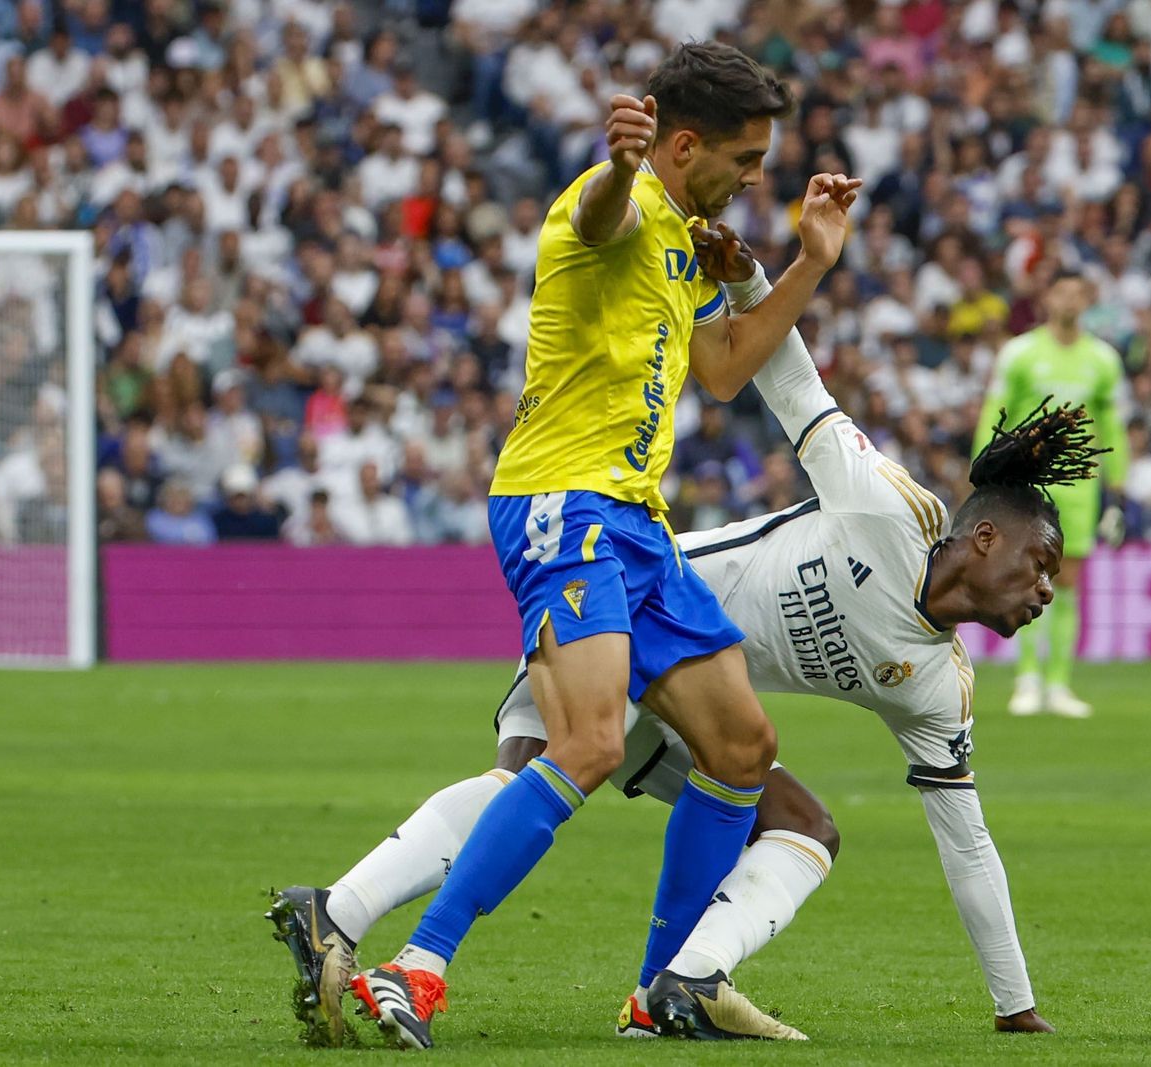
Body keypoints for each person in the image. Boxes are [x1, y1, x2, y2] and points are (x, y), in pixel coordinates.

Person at [267, 225, 1099, 1043]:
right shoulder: (887, 507)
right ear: (986, 536)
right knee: (554, 768)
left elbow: (969, 843)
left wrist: (1013, 1001)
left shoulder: (938, 686)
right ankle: (380, 933)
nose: (1045, 588)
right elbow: (793, 384)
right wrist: (748, 280)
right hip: (626, 598)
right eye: (1040, 563)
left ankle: (675, 982)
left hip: (691, 691)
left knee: (788, 819)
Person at [271, 42, 860, 1051]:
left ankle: (662, 990)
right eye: (747, 156)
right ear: (684, 144)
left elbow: (723, 368)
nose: (758, 175)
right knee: (585, 744)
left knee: (739, 747)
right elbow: (602, 215)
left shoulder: (684, 237)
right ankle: (416, 965)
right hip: (561, 501)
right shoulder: (609, 199)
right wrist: (624, 165)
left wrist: (810, 260)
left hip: (634, 520)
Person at [973, 272, 1127, 719]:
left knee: (1068, 584)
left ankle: (1059, 683)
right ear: (1047, 297)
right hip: (1027, 485)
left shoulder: (1102, 360)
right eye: (1062, 290)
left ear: (1087, 299)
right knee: (1022, 579)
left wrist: (1117, 490)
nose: (1070, 299)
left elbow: (1113, 427)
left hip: (1080, 490)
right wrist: (983, 469)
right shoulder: (1020, 353)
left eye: (1079, 292)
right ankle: (1027, 679)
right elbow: (993, 413)